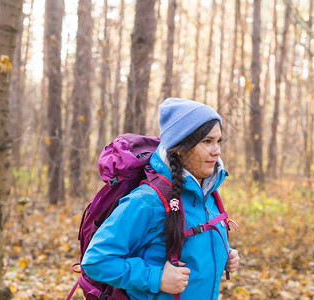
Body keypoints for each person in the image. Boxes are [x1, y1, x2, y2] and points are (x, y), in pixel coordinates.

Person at [81, 98, 240, 299]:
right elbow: (96, 261)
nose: (216, 151)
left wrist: (221, 254)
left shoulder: (207, 192)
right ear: (181, 147)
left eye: (219, 141)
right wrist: (156, 278)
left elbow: (191, 252)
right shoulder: (147, 201)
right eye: (207, 141)